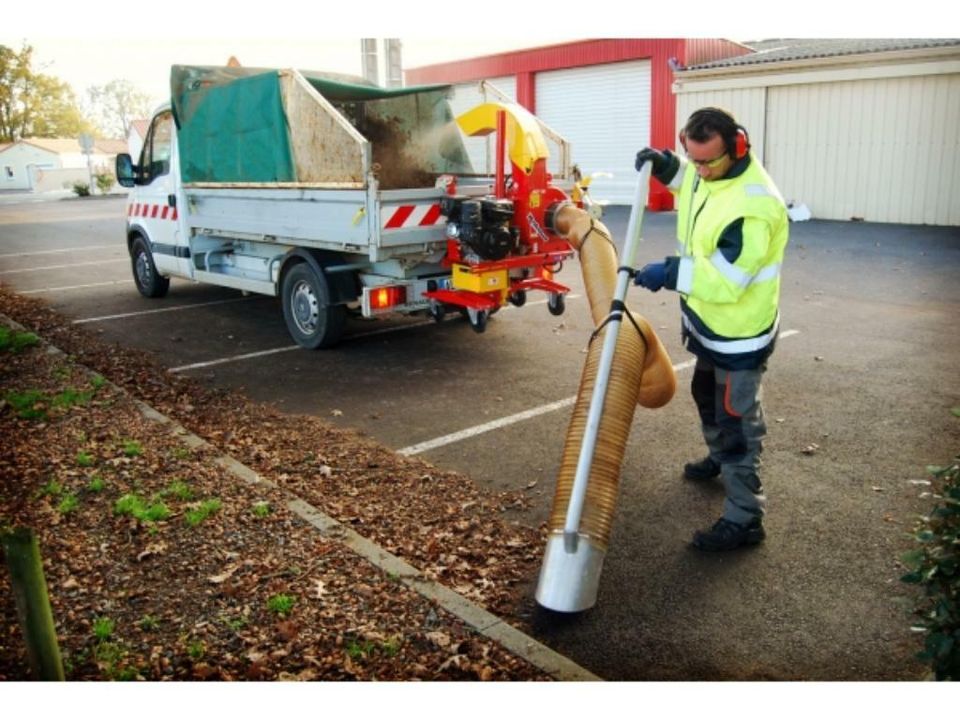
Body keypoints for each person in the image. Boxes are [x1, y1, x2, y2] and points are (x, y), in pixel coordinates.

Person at [633, 107, 789, 551]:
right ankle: (719, 460)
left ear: (738, 147)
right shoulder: (711, 172)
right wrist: (668, 166)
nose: (699, 170)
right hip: (709, 325)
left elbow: (727, 278)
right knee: (706, 395)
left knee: (737, 422)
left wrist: (670, 272)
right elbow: (694, 184)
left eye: (707, 161)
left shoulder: (755, 207)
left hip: (740, 335)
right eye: (692, 158)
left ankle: (745, 519)